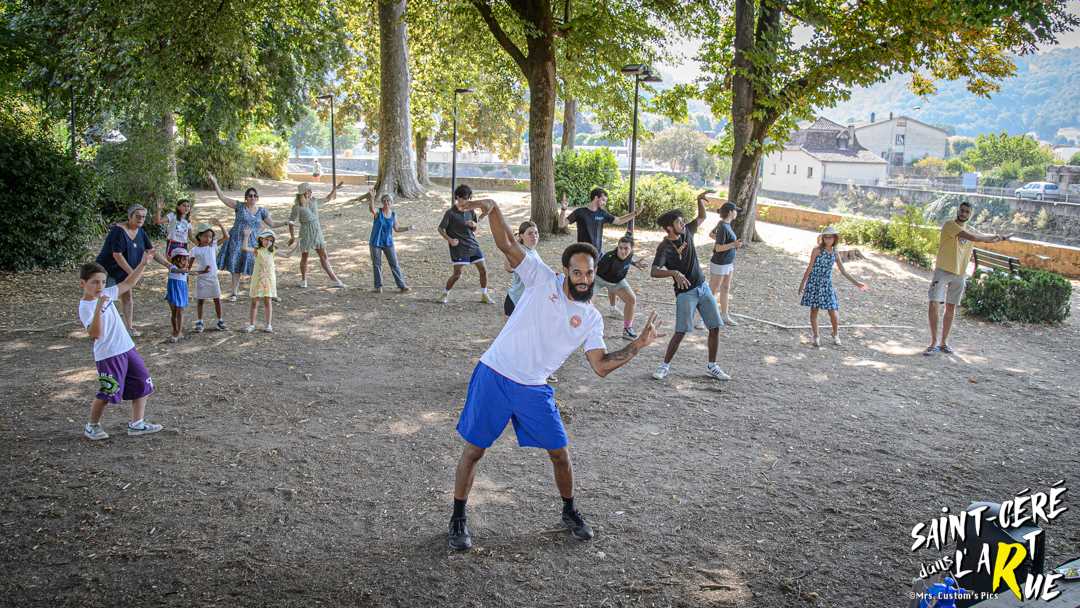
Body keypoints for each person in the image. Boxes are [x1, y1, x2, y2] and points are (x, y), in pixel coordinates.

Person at [446, 196, 662, 551]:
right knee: (475, 451)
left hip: (533, 389)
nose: (583, 278)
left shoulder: (591, 317)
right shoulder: (540, 279)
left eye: (589, 272)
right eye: (577, 272)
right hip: (496, 374)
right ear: (565, 272)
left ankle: (569, 511)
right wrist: (494, 208)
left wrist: (637, 346)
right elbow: (506, 244)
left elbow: (600, 366)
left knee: (560, 452)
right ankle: (458, 518)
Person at [78, 256, 164, 440]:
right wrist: (99, 308)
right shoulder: (86, 306)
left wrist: (142, 263)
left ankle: (137, 424)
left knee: (143, 383)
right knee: (109, 390)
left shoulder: (108, 293)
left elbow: (128, 283)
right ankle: (92, 426)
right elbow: (95, 334)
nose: (99, 286)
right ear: (83, 283)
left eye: (102, 281)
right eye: (94, 282)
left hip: (127, 348)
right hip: (109, 355)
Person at [650, 191, 731, 382]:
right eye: (679, 222)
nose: (683, 224)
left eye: (682, 221)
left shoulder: (687, 231)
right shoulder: (665, 248)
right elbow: (654, 271)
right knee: (680, 332)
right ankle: (664, 366)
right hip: (685, 293)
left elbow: (702, 217)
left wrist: (699, 201)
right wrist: (673, 273)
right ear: (669, 228)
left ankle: (712, 366)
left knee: (715, 327)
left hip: (703, 287)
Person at [925, 202, 1011, 355]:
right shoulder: (950, 225)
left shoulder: (970, 229)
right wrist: (988, 238)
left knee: (951, 307)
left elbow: (983, 237)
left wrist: (1001, 237)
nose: (964, 213)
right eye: (962, 210)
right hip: (943, 270)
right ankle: (933, 342)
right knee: (934, 303)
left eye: (967, 212)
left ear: (970, 214)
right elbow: (973, 237)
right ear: (958, 211)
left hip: (960, 273)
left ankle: (943, 343)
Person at [93, 204, 174, 336]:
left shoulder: (140, 231)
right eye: (138, 216)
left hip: (124, 270)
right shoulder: (118, 231)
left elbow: (151, 251)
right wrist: (132, 273)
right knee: (105, 299)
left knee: (127, 297)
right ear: (130, 217)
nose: (141, 219)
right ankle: (98, 329)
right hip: (107, 270)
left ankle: (129, 328)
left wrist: (168, 265)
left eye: (143, 217)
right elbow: (117, 255)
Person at [207, 172, 287, 301]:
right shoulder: (239, 206)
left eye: (255, 196)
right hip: (236, 239)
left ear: (257, 198)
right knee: (235, 266)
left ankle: (268, 292)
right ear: (246, 198)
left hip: (253, 241)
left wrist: (285, 222)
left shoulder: (262, 211)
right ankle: (234, 293)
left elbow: (272, 224)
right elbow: (222, 197)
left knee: (261, 265)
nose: (252, 197)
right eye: (250, 196)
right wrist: (215, 182)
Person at [798, 226, 869, 347]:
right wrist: (802, 283)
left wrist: (857, 283)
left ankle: (835, 334)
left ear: (835, 238)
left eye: (830, 237)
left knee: (833, 312)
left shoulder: (835, 253)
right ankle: (816, 337)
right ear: (822, 238)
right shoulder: (817, 250)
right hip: (814, 283)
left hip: (826, 285)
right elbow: (809, 267)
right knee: (814, 311)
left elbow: (843, 271)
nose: (827, 239)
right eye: (825, 237)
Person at [438, 184, 491, 304]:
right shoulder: (450, 213)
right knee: (457, 274)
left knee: (483, 270)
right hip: (459, 248)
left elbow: (474, 228)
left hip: (473, 245)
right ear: (457, 197)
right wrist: (450, 240)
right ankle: (445, 294)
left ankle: (484, 294)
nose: (466, 201)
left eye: (468, 198)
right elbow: (440, 229)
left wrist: (474, 225)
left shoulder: (471, 211)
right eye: (464, 198)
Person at [287, 182, 346, 289]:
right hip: (305, 232)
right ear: (303, 192)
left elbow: (327, 199)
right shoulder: (297, 207)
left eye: (310, 190)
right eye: (308, 190)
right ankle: (304, 280)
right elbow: (290, 221)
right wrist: (292, 237)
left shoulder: (314, 201)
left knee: (323, 256)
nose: (310, 192)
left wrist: (334, 189)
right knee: (305, 257)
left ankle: (335, 280)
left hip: (317, 231)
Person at [241, 229, 295, 333]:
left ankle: (268, 325)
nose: (267, 242)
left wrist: (296, 246)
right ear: (261, 240)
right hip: (258, 279)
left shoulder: (273, 250)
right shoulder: (257, 250)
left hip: (269, 280)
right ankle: (252, 324)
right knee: (254, 302)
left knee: (268, 301)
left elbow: (288, 255)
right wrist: (246, 236)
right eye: (265, 239)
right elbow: (244, 248)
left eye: (270, 240)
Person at [594, 236, 649, 340]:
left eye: (626, 248)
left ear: (631, 249)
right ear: (617, 247)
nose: (623, 251)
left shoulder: (630, 254)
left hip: (617, 281)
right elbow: (595, 269)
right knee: (588, 302)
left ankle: (627, 328)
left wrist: (634, 263)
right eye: (620, 248)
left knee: (631, 299)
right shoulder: (608, 257)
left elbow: (628, 259)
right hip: (599, 280)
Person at [558, 188, 639, 256]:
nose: (605, 203)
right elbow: (561, 224)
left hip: (598, 254)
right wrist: (563, 209)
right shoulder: (580, 212)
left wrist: (635, 213)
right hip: (583, 253)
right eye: (603, 200)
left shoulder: (602, 213)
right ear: (596, 198)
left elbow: (619, 221)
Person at [367, 193, 413, 293]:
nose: (386, 202)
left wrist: (408, 228)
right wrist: (372, 198)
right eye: (384, 201)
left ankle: (402, 286)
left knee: (394, 264)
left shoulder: (393, 214)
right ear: (382, 202)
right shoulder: (378, 212)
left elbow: (396, 228)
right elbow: (371, 209)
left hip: (388, 242)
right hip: (375, 242)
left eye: (388, 201)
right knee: (377, 264)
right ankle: (378, 287)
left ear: (391, 203)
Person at [707, 202, 744, 326]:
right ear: (729, 212)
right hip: (720, 263)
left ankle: (724, 316)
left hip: (728, 263)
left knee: (725, 288)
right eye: (735, 210)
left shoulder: (724, 225)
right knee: (712, 290)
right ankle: (702, 319)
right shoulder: (723, 226)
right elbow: (718, 248)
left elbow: (712, 234)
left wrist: (732, 245)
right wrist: (733, 245)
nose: (736, 213)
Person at [190, 221, 229, 332]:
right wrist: (202, 271)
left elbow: (226, 237)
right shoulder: (194, 250)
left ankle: (220, 320)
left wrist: (220, 225)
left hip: (213, 278)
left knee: (217, 299)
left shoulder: (213, 246)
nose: (208, 239)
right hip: (202, 279)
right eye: (205, 236)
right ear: (199, 236)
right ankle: (200, 321)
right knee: (200, 300)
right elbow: (188, 269)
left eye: (210, 237)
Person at [503, 221, 541, 317]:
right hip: (516, 300)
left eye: (536, 233)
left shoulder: (533, 251)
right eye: (530, 233)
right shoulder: (521, 251)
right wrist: (512, 248)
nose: (534, 236)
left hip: (528, 301)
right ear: (521, 236)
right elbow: (508, 268)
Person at [164, 249, 194, 343]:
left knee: (180, 311)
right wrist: (182, 270)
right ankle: (175, 330)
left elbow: (193, 273)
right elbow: (175, 270)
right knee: (173, 313)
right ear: (176, 259)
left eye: (187, 259)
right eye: (184, 259)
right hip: (173, 292)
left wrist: (204, 271)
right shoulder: (172, 267)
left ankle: (178, 332)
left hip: (182, 292)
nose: (186, 262)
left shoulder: (185, 270)